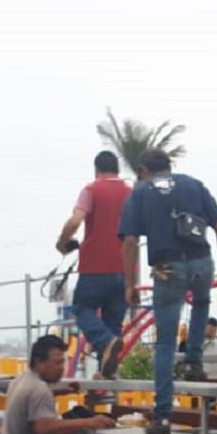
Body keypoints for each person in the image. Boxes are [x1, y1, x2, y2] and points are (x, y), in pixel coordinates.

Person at [119, 149, 217, 434]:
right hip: (201, 261)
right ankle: (194, 360)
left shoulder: (141, 192)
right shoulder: (194, 184)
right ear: (170, 166)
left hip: (166, 266)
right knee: (202, 302)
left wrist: (129, 283)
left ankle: (163, 416)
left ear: (144, 170)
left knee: (165, 343)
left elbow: (130, 240)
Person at [54, 150, 132, 378]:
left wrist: (62, 242)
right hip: (126, 268)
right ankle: (105, 372)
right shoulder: (131, 193)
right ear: (117, 169)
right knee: (113, 320)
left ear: (96, 169)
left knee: (82, 308)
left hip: (96, 266)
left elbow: (76, 220)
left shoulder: (91, 190)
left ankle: (105, 343)